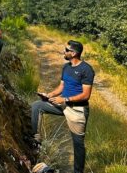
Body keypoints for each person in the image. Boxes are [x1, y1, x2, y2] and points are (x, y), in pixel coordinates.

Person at [31, 40, 95, 173]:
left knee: (78, 144)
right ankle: (36, 140)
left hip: (77, 109)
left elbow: (86, 95)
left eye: (66, 50)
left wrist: (64, 99)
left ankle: (78, 171)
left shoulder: (86, 70)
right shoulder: (66, 67)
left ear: (74, 53)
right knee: (37, 106)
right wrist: (49, 95)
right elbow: (62, 87)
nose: (63, 52)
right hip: (62, 105)